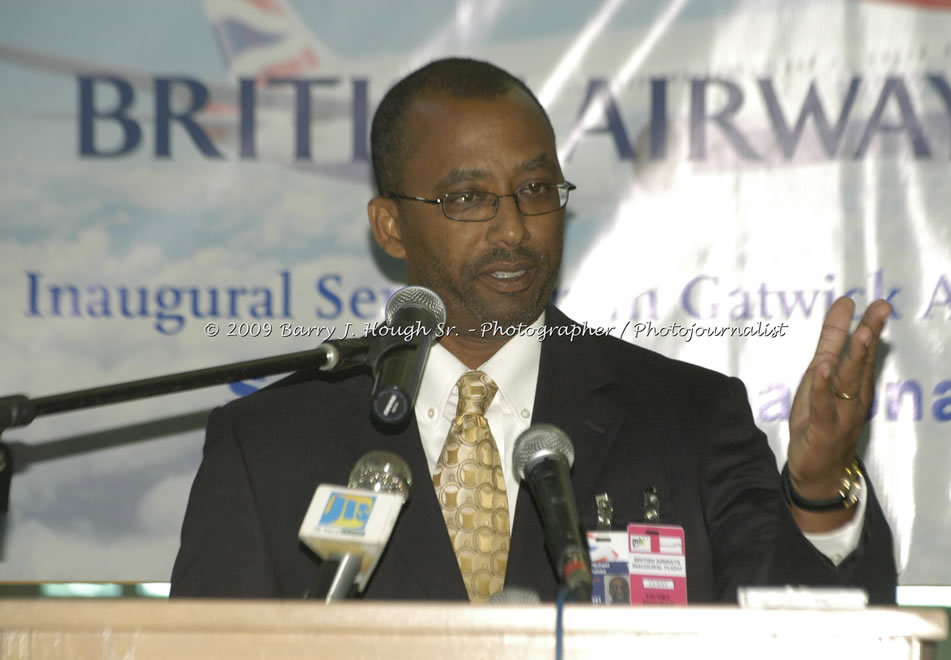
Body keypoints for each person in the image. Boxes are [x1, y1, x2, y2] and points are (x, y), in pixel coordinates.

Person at [170, 58, 896, 603]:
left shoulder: (689, 417)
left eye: (537, 190)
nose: (515, 228)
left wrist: (814, 487)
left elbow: (807, 633)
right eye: (466, 197)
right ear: (391, 226)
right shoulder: (267, 446)